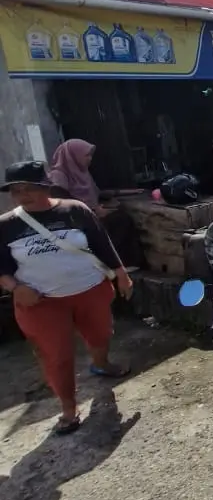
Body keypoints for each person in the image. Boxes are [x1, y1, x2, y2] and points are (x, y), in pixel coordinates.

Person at [0, 161, 134, 434]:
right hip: (40, 301)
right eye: (16, 191)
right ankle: (69, 408)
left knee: (100, 333)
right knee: (56, 355)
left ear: (45, 187)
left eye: (29, 188)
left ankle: (101, 364)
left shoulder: (74, 211)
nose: (23, 195)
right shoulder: (6, 225)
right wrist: (15, 288)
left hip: (90, 289)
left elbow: (102, 243)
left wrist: (121, 274)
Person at [48, 138, 143, 267]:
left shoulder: (82, 172)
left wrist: (127, 192)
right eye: (86, 155)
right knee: (119, 221)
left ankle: (120, 264)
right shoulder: (59, 175)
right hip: (74, 222)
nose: (90, 159)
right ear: (74, 156)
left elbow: (97, 192)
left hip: (90, 215)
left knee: (121, 217)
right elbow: (61, 201)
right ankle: (111, 263)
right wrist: (92, 211)